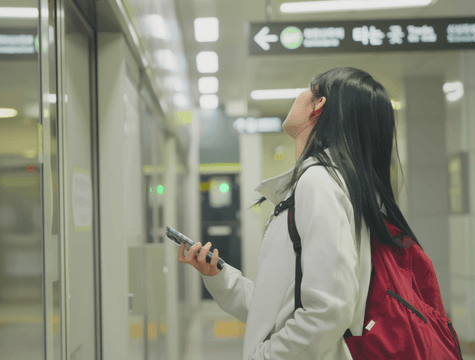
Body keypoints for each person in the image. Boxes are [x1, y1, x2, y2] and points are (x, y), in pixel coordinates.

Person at [178, 67, 419, 359]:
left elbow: (329, 310)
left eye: (309, 89)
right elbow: (278, 308)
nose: (300, 95)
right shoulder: (320, 183)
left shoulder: (319, 184)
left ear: (319, 105)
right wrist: (220, 277)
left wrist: (266, 356)